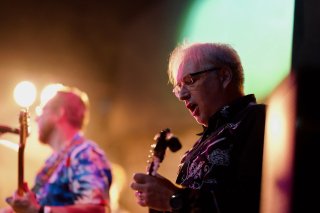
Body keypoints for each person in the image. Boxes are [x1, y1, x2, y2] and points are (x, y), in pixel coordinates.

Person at [130, 42, 266, 213]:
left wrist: (174, 199)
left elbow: (252, 198)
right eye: (179, 87)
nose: (182, 96)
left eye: (190, 81)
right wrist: (163, 201)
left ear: (224, 76)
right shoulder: (199, 145)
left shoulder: (259, 119)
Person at [2, 85, 112, 213]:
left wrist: (39, 211)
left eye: (42, 110)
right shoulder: (51, 163)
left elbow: (97, 209)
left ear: (59, 113)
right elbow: (34, 207)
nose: (37, 118)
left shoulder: (85, 153)